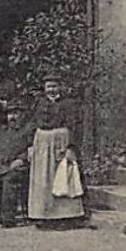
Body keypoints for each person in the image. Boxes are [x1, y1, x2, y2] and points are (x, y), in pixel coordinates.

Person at [27, 72, 87, 229]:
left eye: (54, 86)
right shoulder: (38, 103)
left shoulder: (69, 104)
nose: (51, 90)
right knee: (42, 179)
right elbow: (32, 124)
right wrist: (30, 145)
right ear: (44, 88)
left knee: (62, 176)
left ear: (60, 87)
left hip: (61, 140)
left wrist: (71, 147)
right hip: (41, 142)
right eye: (48, 86)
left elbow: (75, 126)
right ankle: (43, 215)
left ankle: (65, 216)